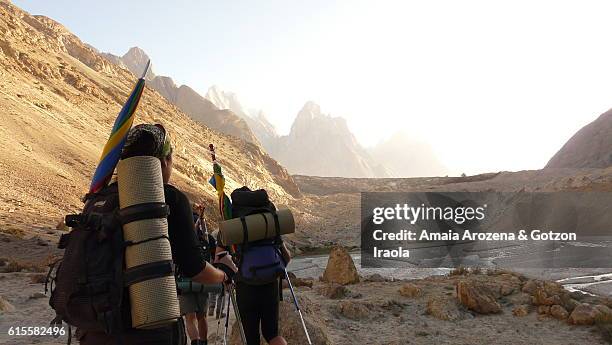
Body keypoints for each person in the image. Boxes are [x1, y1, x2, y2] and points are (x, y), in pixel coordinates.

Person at [79, 123, 237, 345]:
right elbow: (195, 269)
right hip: (151, 326)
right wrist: (223, 273)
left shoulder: (100, 198)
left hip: (97, 326)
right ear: (163, 161)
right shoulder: (171, 199)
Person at [236, 241, 292, 345]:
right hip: (270, 286)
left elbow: (220, 259)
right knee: (272, 335)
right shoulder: (269, 226)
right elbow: (286, 258)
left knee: (251, 338)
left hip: (245, 289)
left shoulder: (233, 228)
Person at [178, 204, 217, 345]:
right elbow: (214, 258)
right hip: (203, 279)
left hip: (184, 280)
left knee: (189, 318)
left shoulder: (180, 239)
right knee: (202, 316)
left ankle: (194, 342)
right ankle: (204, 342)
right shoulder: (208, 240)